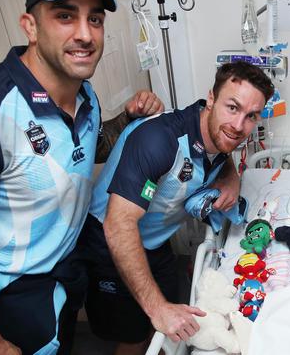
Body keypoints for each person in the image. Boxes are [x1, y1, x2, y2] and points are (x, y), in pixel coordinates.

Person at [0, 0, 166, 354]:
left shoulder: (85, 95)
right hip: (9, 291)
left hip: (65, 266)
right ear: (30, 26)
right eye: (65, 16)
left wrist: (129, 119)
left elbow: (91, 146)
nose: (85, 34)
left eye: (94, 19)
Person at [79, 60, 274, 354]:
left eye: (251, 116)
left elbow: (222, 150)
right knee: (134, 335)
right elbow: (118, 224)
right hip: (110, 242)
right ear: (211, 98)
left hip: (155, 245)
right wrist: (157, 309)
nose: (238, 125)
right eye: (232, 107)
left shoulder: (216, 134)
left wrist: (231, 179)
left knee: (172, 326)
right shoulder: (159, 141)